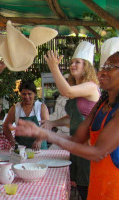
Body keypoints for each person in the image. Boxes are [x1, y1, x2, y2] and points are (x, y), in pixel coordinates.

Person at [13, 49, 119, 199]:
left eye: (110, 67)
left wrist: (46, 134)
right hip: (99, 181)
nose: (102, 73)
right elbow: (77, 140)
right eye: (103, 67)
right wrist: (44, 132)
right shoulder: (102, 103)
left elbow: (98, 152)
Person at [41, 41, 100, 200]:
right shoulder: (79, 89)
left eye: (77, 62)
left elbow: (66, 91)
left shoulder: (91, 86)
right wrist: (53, 123)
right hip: (76, 147)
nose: (73, 65)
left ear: (86, 66)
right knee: (81, 189)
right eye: (72, 62)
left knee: (88, 189)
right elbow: (73, 117)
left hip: (88, 147)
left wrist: (54, 68)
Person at [3, 80, 49, 150]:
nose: (27, 97)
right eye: (24, 94)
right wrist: (12, 141)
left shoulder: (41, 107)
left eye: (29, 94)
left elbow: (47, 127)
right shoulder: (15, 108)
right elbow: (6, 127)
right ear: (20, 94)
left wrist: (38, 141)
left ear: (35, 94)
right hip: (21, 149)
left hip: (40, 148)